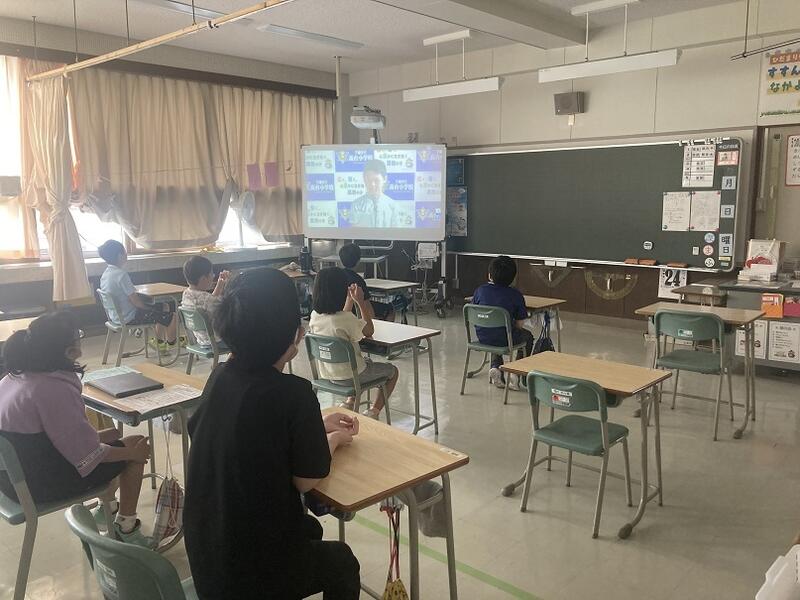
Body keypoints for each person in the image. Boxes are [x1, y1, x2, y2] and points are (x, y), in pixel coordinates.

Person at [184, 268, 361, 600]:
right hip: (252, 573)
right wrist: (334, 439)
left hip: (208, 553)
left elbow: (253, 432)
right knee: (341, 561)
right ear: (296, 334)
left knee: (310, 529)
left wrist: (317, 424)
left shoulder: (219, 377)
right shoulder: (294, 392)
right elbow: (307, 479)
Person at [0, 312, 152, 546]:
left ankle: (107, 507)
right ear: (71, 350)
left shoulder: (13, 378)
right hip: (39, 485)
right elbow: (86, 455)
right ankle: (127, 528)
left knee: (113, 434)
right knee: (136, 447)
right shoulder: (53, 389)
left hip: (12, 477)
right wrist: (132, 453)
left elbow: (58, 439)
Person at [308, 267, 399, 419]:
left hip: (328, 374)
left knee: (363, 363)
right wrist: (361, 303)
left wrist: (350, 300)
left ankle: (350, 402)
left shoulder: (315, 316)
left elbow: (341, 318)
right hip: (351, 377)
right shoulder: (347, 319)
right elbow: (369, 330)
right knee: (393, 371)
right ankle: (373, 411)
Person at [98, 240, 178, 353]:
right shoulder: (121, 275)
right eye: (124, 251)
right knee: (172, 316)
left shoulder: (106, 274)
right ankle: (172, 343)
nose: (126, 254)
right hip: (130, 317)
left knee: (163, 306)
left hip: (116, 317)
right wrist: (149, 308)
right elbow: (135, 301)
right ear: (120, 255)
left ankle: (159, 342)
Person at [472, 255, 534, 391]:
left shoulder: (480, 291)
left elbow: (474, 311)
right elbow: (520, 324)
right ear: (513, 278)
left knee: (495, 330)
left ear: (489, 275)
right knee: (526, 336)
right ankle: (516, 372)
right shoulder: (515, 295)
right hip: (505, 337)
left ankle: (496, 367)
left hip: (483, 336)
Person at [180, 255, 230, 347]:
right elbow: (225, 306)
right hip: (218, 341)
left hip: (202, 340)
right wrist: (228, 285)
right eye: (212, 274)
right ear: (203, 279)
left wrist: (220, 284)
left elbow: (209, 301)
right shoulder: (207, 299)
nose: (213, 276)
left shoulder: (186, 294)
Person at [338, 243, 396, 322]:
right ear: (358, 260)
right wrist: (373, 321)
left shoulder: (337, 275)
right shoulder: (358, 281)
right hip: (356, 310)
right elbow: (367, 305)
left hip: (341, 311)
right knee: (390, 308)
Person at [351, 159, 397, 228]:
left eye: (376, 180)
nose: (372, 184)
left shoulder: (392, 206)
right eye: (369, 180)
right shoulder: (356, 205)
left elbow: (396, 231)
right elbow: (354, 231)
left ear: (384, 179)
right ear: (364, 179)